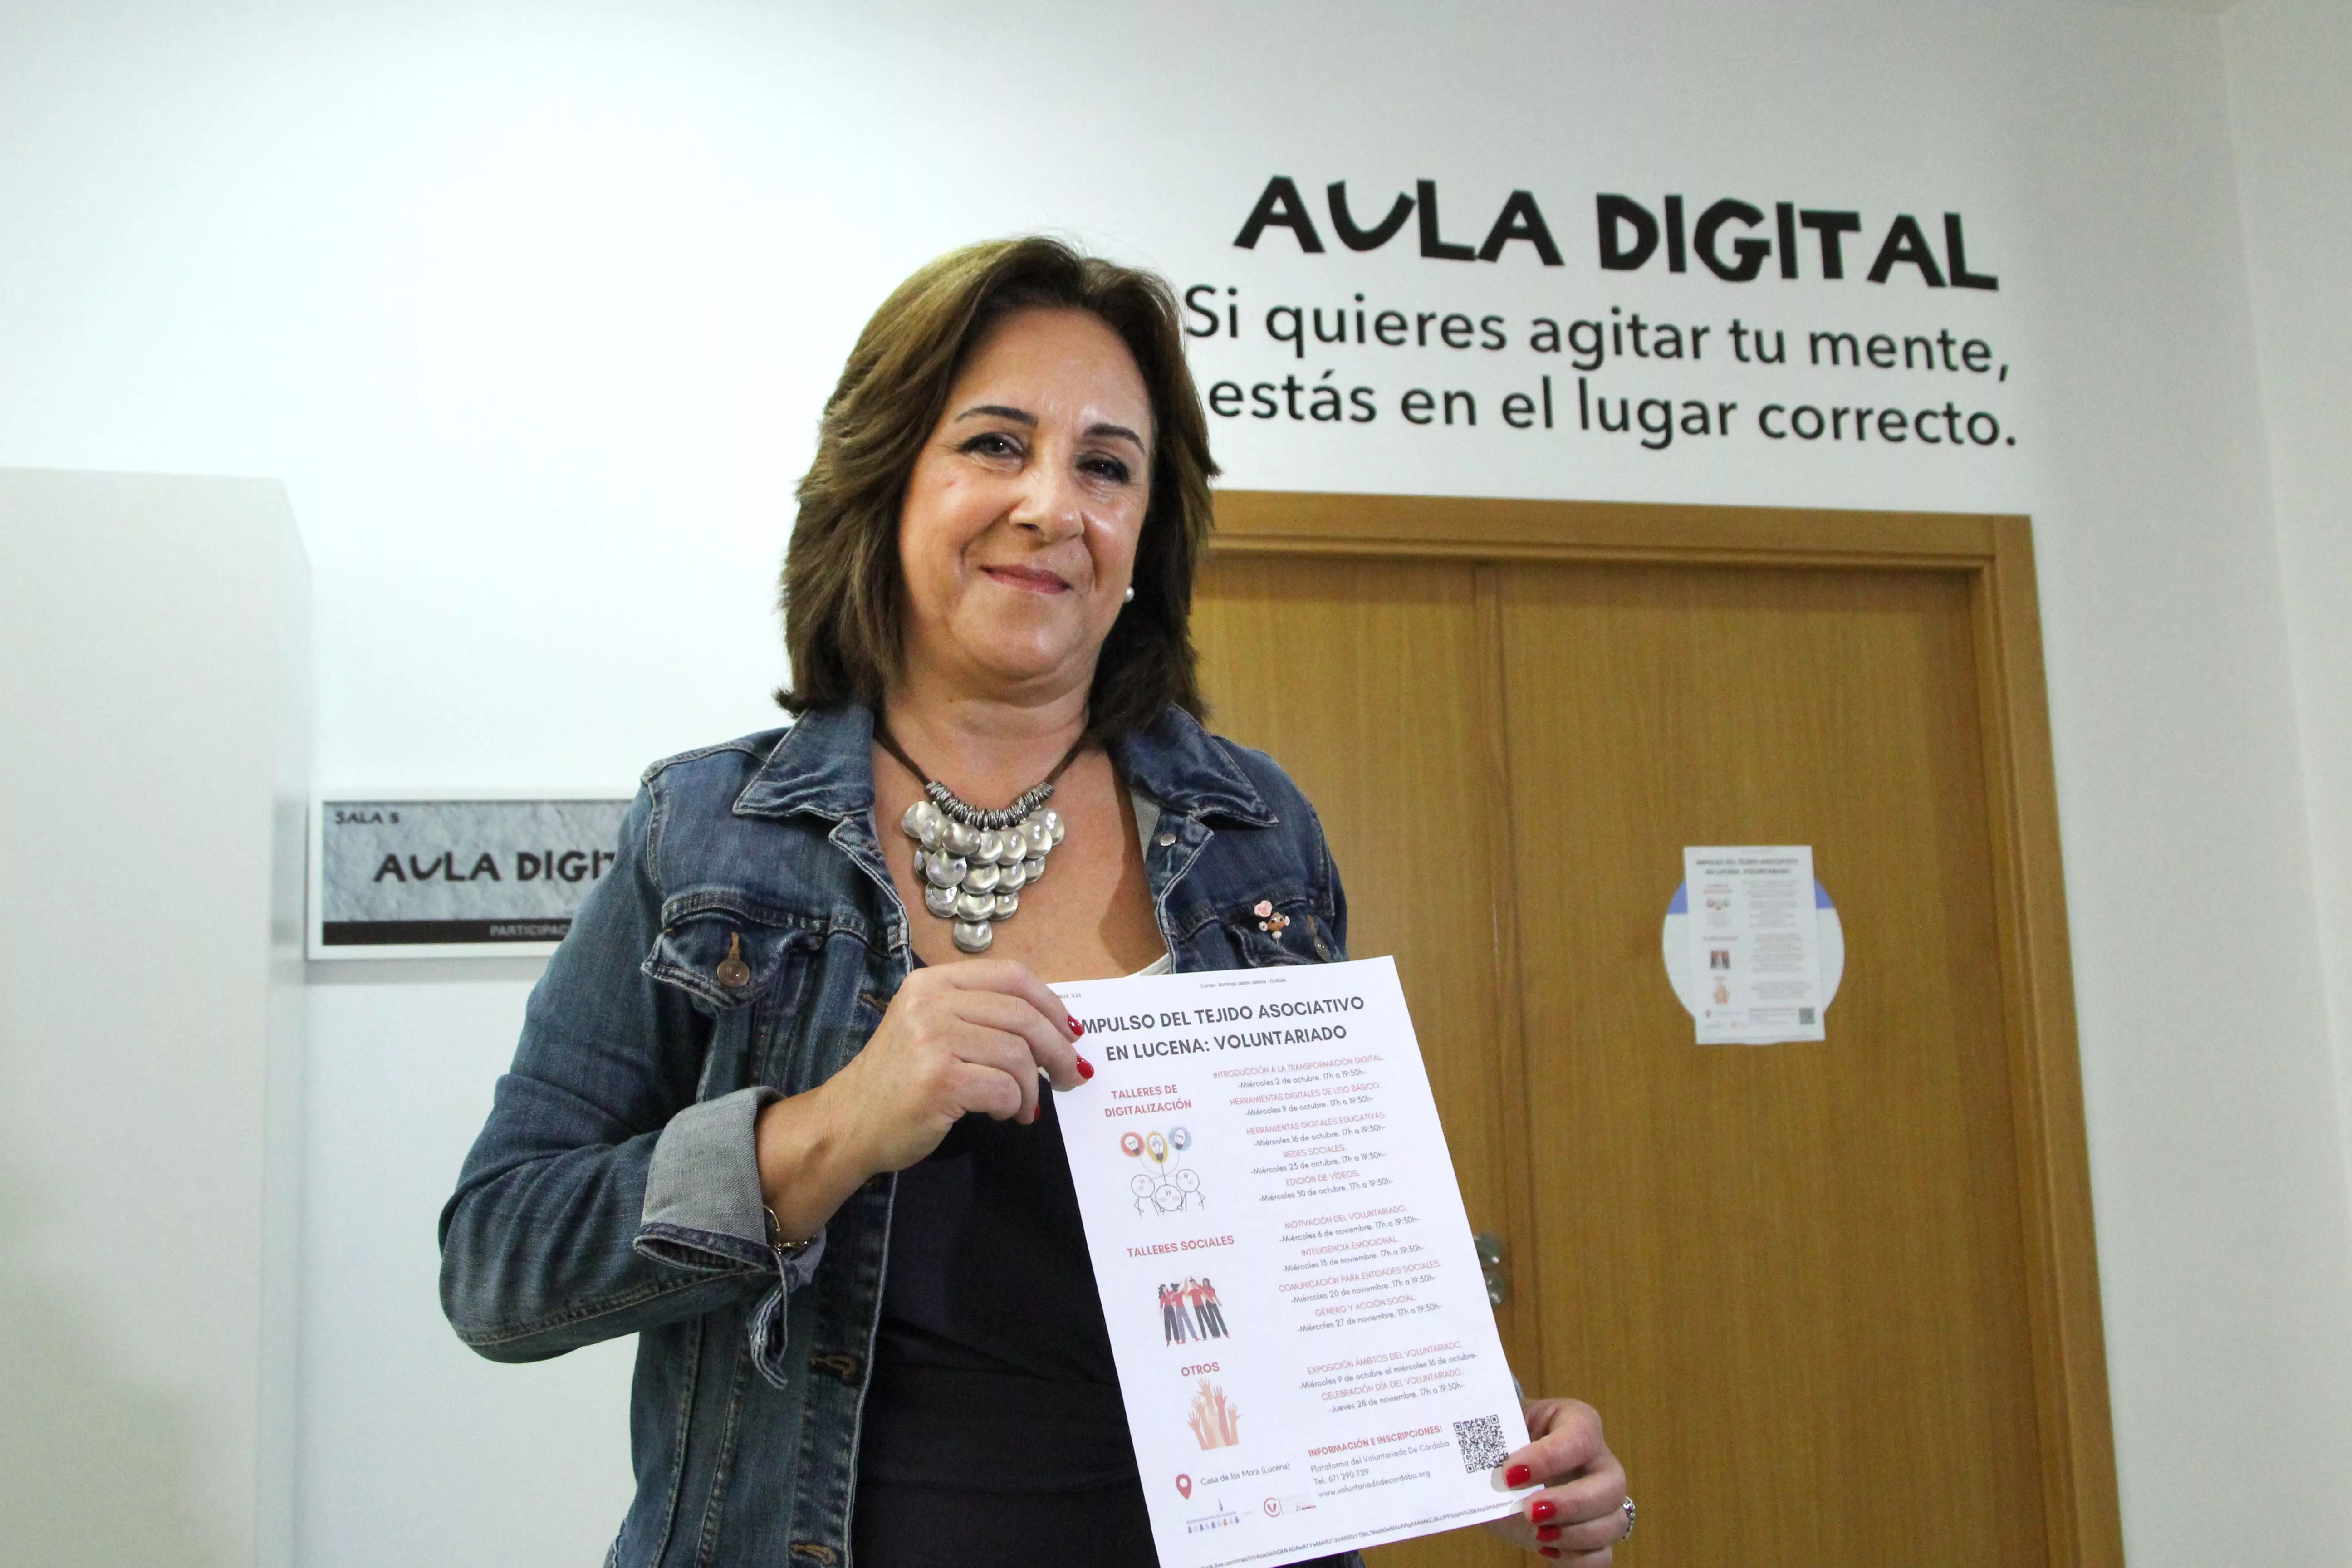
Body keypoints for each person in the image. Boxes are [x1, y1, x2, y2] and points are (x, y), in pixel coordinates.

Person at [438, 237, 1632, 1567]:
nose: (1051, 504)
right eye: (997, 445)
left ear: (1142, 540)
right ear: (887, 484)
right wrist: (828, 1132)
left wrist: (1478, 1420)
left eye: (1106, 467)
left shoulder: (1256, 834)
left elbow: (1313, 1243)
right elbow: (500, 1266)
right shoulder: (712, 830)